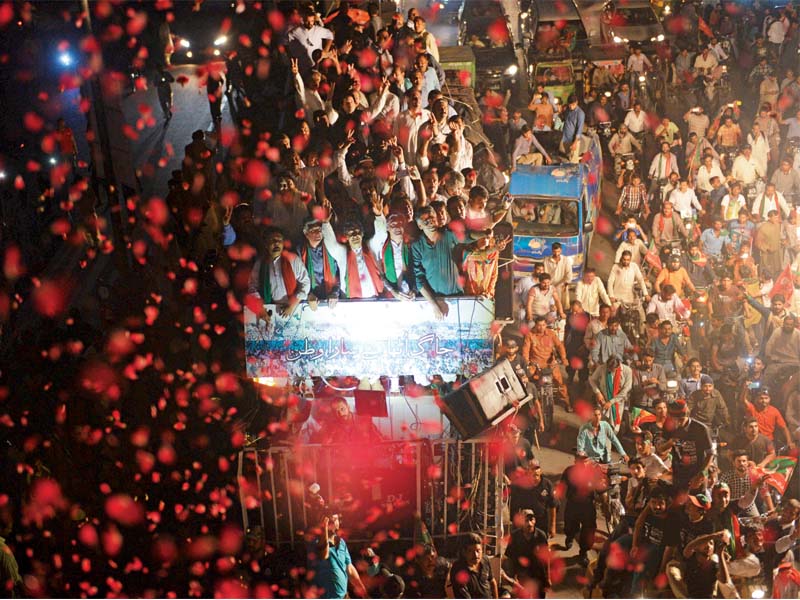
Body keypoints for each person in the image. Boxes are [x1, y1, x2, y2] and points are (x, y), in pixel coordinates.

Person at [411, 205, 486, 319]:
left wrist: (484, 233)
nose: (430, 222)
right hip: (434, 301)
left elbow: (467, 236)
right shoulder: (417, 246)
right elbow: (419, 279)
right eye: (426, 221)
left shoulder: (448, 235)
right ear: (419, 225)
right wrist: (434, 304)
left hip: (457, 297)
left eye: (432, 218)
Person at [247, 227, 310, 323]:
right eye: (272, 240)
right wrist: (260, 308)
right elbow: (252, 286)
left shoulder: (293, 259)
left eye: (279, 240)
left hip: (293, 308)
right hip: (269, 311)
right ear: (266, 245)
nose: (276, 243)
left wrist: (292, 304)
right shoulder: (260, 264)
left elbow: (305, 283)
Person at [308, 512, 369, 599]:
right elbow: (324, 555)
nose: (332, 522)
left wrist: (360, 587)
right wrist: (325, 527)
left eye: (335, 520)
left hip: (344, 596)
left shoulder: (341, 542)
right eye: (330, 520)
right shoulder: (317, 542)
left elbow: (349, 567)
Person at [657, 399, 714, 490]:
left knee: (698, 502)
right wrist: (670, 443)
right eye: (674, 419)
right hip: (679, 474)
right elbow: (660, 449)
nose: (678, 422)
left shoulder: (701, 429)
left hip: (697, 473)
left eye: (681, 419)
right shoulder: (668, 427)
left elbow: (711, 453)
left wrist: (702, 474)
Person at [561, 451, 602, 566]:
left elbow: (600, 488)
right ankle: (570, 536)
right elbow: (562, 486)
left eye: (585, 460)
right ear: (575, 461)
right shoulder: (568, 471)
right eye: (580, 461)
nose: (583, 463)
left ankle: (583, 552)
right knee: (569, 526)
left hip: (588, 506)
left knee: (588, 530)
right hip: (573, 504)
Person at [522, 316, 571, 410]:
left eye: (543, 325)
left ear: (546, 325)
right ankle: (526, 403)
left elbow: (559, 346)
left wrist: (564, 358)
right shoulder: (529, 335)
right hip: (535, 364)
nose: (541, 327)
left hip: (550, 364)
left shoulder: (551, 333)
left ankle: (567, 402)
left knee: (559, 382)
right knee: (525, 380)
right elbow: (525, 351)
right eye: (539, 325)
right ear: (535, 325)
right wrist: (527, 363)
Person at [502, 509, 550, 598]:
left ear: (535, 520)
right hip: (522, 574)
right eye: (526, 520)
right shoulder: (515, 536)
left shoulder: (541, 536)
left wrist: (548, 578)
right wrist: (512, 576)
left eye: (531, 519)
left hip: (538, 575)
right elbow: (510, 558)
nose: (529, 523)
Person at [508, 460, 558, 540]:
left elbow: (553, 505)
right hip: (525, 522)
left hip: (541, 522)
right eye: (531, 471)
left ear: (540, 471)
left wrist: (552, 526)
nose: (534, 475)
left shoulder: (547, 484)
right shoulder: (520, 486)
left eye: (536, 471)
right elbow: (514, 506)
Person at [589, 356, 632, 432]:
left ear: (618, 366)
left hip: (618, 403)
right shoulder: (602, 368)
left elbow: (625, 390)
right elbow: (592, 380)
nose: (610, 371)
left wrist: (611, 402)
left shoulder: (627, 371)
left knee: (614, 429)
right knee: (599, 426)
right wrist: (598, 392)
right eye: (608, 368)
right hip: (603, 402)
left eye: (612, 370)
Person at [449, 533, 498, 599]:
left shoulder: (485, 560)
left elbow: (492, 582)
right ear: (464, 552)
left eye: (478, 551)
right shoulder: (458, 569)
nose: (476, 555)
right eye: (470, 551)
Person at [561, 94, 585, 163]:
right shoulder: (568, 110)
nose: (571, 107)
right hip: (565, 139)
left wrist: (575, 142)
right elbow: (564, 120)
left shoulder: (580, 113)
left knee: (573, 162)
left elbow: (579, 129)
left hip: (574, 141)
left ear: (576, 102)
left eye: (573, 105)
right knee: (567, 159)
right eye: (569, 105)